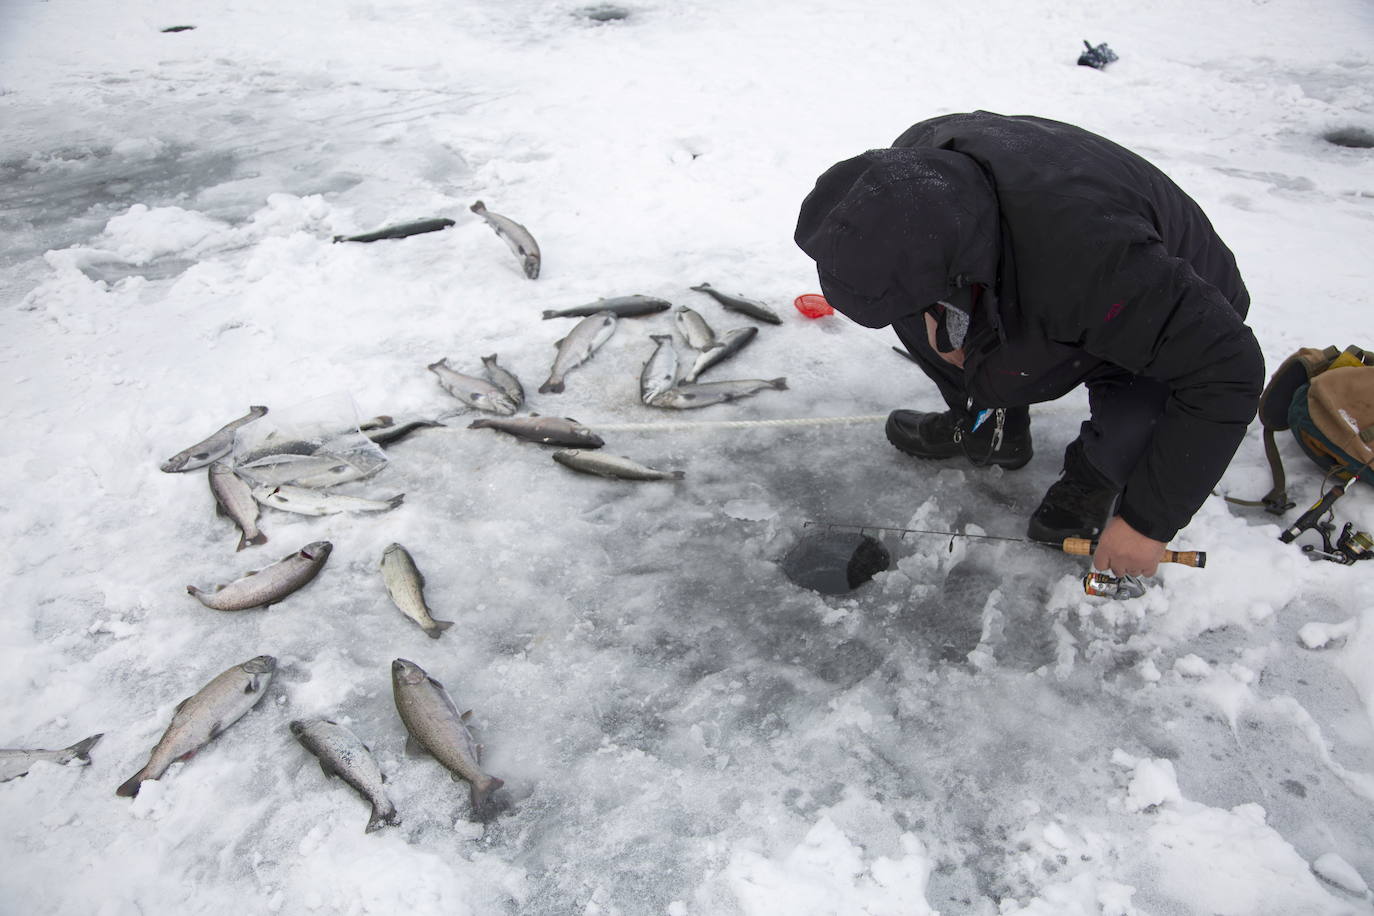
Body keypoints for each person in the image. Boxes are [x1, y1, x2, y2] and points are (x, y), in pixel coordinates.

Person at [794, 111, 1264, 579]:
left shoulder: (1091, 263)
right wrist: (950, 325)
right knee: (914, 310)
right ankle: (989, 422)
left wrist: (1147, 523)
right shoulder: (912, 173)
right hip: (1033, 269)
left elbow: (1229, 368)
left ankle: (1093, 476)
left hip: (1171, 305)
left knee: (1138, 418)